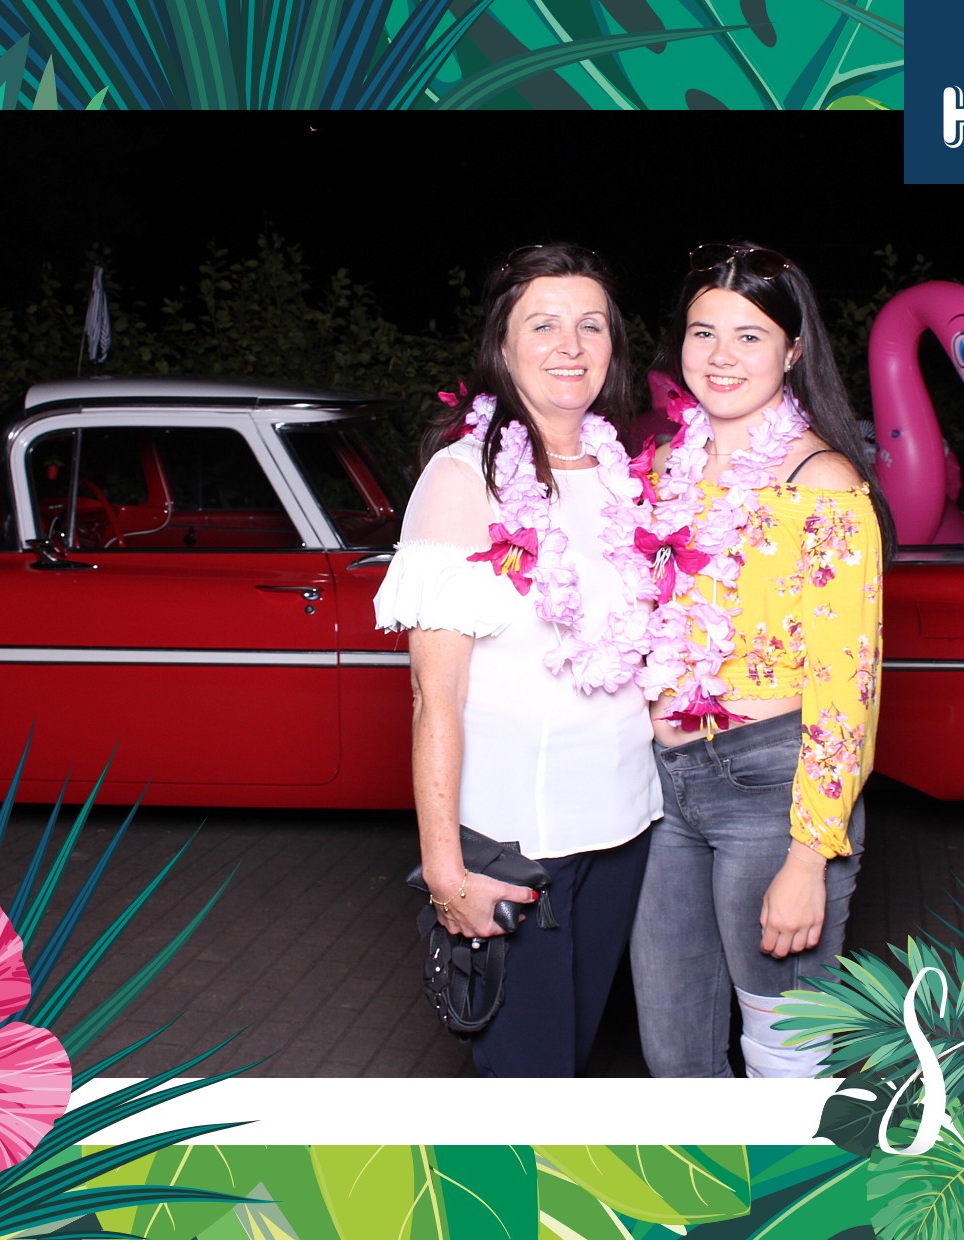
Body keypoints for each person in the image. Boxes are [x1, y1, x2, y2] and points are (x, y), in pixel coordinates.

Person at [374, 243, 660, 1077]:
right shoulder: (463, 481)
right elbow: (434, 695)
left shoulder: (623, 475)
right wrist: (444, 870)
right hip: (516, 846)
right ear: (502, 343)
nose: (570, 345)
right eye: (544, 324)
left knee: (575, 1058)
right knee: (530, 1081)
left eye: (591, 325)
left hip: (625, 830)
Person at [629, 242, 892, 1078]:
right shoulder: (663, 467)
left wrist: (809, 857)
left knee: (785, 1059)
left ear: (793, 349)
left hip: (772, 791)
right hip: (665, 791)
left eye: (749, 335)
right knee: (674, 1053)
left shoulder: (824, 483)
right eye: (703, 332)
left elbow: (848, 684)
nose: (721, 356)